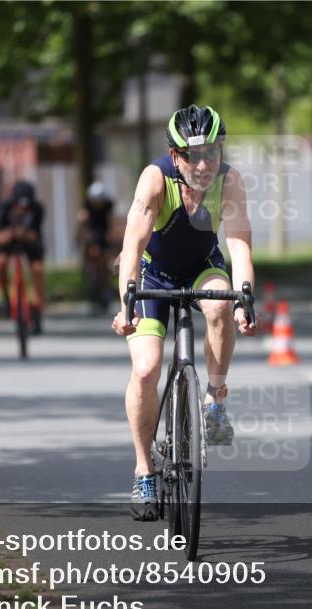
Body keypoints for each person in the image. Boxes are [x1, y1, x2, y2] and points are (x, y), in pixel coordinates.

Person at [110, 105, 258, 521]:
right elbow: (132, 248)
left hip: (201, 266)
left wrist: (246, 298)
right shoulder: (155, 179)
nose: (205, 164)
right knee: (146, 369)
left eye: (212, 153)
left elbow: (239, 247)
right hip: (152, 273)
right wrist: (126, 305)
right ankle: (144, 470)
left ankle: (215, 399)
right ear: (175, 156)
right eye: (194, 156)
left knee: (220, 303)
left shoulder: (230, 182)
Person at [0, 180, 45, 334]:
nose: (23, 208)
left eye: (26, 205)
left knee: (38, 270)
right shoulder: (3, 209)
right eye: (20, 204)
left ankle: (36, 309)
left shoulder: (37, 209)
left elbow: (35, 235)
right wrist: (12, 234)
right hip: (8, 243)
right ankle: (5, 297)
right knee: (0, 262)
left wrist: (24, 234)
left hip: (29, 243)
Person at [77, 181, 115, 314]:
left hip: (103, 234)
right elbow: (82, 226)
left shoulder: (108, 206)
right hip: (91, 235)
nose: (96, 204)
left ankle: (106, 285)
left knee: (104, 262)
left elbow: (111, 223)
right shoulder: (86, 207)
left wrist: (111, 236)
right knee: (91, 258)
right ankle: (92, 284)